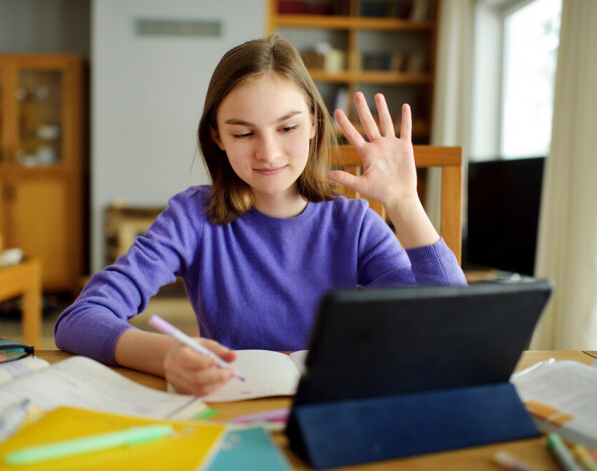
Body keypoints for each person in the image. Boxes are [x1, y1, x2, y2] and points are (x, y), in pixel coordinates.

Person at [55, 35, 466, 396]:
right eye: (243, 133)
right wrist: (165, 354)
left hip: (330, 405)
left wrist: (406, 203)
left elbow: (452, 324)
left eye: (287, 128)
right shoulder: (194, 216)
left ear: (313, 125)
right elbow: (79, 319)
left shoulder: (352, 223)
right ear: (216, 136)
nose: (268, 153)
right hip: (230, 409)